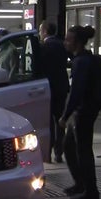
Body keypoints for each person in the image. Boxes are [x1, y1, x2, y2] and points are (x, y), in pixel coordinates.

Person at [58, 25, 100, 199]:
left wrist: (64, 116)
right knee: (68, 146)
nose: (65, 42)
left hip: (84, 111)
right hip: (84, 110)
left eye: (68, 39)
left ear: (77, 43)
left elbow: (76, 92)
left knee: (83, 152)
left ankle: (91, 194)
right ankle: (80, 184)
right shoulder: (83, 59)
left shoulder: (80, 62)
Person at [39, 21, 69, 164]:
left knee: (48, 121)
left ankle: (48, 153)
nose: (39, 33)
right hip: (62, 87)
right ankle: (59, 153)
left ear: (45, 31)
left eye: (40, 30)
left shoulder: (44, 46)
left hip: (47, 87)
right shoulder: (63, 45)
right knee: (60, 121)